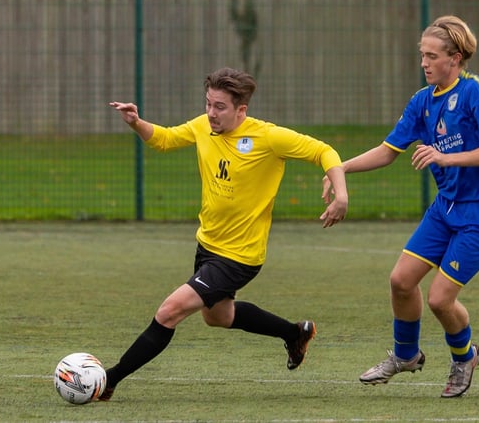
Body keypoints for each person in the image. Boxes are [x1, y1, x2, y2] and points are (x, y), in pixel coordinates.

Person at [101, 67, 348, 400]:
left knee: (169, 312)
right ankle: (295, 333)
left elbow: (324, 152)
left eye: (220, 107)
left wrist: (341, 193)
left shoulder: (268, 138)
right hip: (208, 246)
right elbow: (165, 139)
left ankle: (108, 381)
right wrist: (135, 121)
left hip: (239, 256)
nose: (211, 113)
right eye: (208, 103)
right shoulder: (204, 126)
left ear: (241, 110)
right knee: (218, 317)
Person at [323, 15, 479, 398]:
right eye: (421, 55)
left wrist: (446, 159)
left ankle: (465, 357)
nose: (424, 63)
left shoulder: (477, 92)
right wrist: (340, 167)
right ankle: (406, 355)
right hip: (446, 207)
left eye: (431, 56)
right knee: (401, 281)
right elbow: (387, 151)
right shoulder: (422, 101)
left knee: (441, 298)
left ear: (455, 58)